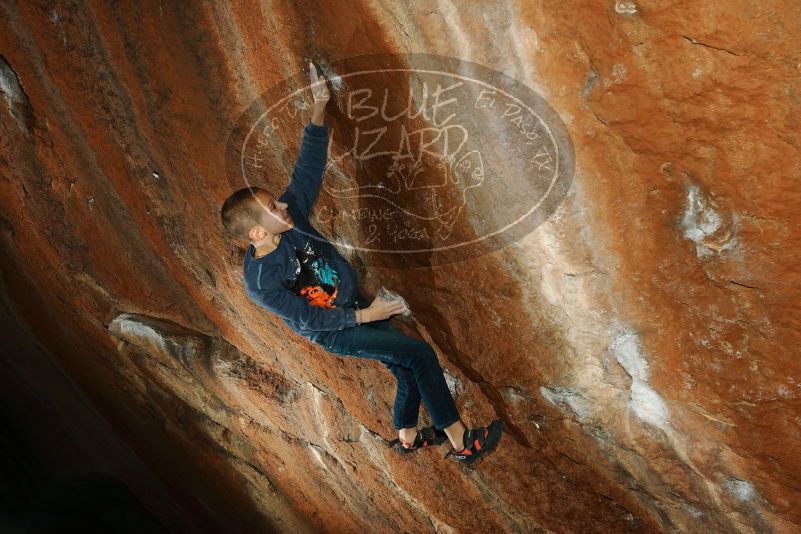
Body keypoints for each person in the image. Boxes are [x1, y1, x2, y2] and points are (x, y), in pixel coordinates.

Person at [220, 62, 503, 464]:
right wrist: (369, 315)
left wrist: (319, 105)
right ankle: (462, 443)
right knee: (418, 355)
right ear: (257, 234)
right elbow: (309, 321)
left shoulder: (291, 218)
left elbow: (308, 170)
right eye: (271, 207)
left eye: (276, 200)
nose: (282, 204)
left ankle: (408, 437)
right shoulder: (261, 282)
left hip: (354, 305)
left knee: (404, 366)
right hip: (335, 330)